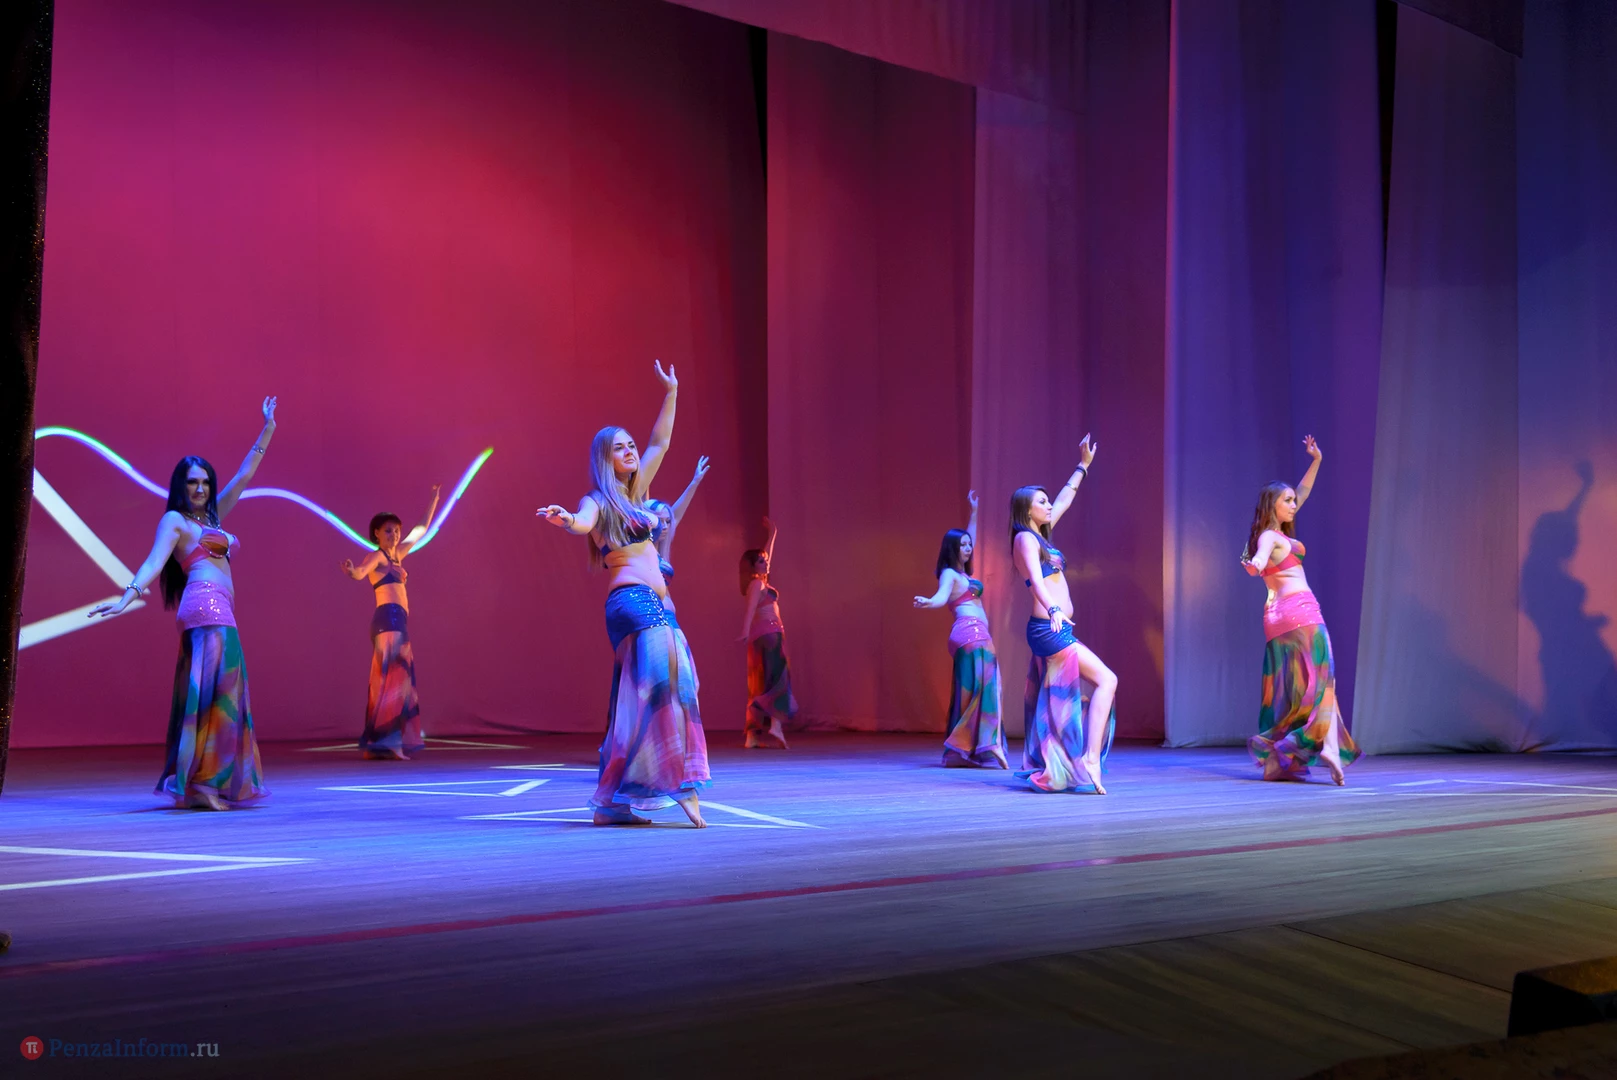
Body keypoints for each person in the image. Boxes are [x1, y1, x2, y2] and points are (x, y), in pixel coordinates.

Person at [538, 361, 708, 827]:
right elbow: (583, 523)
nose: (631, 451)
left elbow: (661, 443)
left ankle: (611, 802)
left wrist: (672, 392)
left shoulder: (638, 493)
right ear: (605, 458)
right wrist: (566, 520)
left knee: (638, 699)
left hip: (653, 605)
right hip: (634, 602)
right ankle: (680, 783)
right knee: (672, 684)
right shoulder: (597, 500)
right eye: (620, 447)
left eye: (631, 445)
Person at [90, 397, 279, 809]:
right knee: (220, 697)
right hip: (206, 610)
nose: (200, 489)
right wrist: (126, 597)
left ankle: (200, 782)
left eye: (205, 482)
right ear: (181, 486)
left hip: (219, 613)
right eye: (193, 482)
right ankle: (203, 784)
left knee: (218, 695)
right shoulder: (175, 521)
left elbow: (244, 475)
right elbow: (153, 562)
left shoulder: (213, 518)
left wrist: (268, 428)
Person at [1240, 436, 1357, 784]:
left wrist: (1316, 460)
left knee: (1295, 689)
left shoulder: (1272, 533)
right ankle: (1327, 747)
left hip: (1276, 620)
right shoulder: (1270, 537)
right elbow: (1260, 556)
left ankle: (1280, 762)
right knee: (1324, 679)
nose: (1294, 505)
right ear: (1272, 506)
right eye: (1287, 501)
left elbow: (1303, 492)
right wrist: (1255, 564)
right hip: (1301, 614)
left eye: (1293, 500)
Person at [1009, 435, 1116, 793]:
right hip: (1048, 628)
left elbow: (1065, 498)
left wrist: (1082, 465)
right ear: (1027, 511)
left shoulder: (1041, 537)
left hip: (1055, 629)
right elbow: (1036, 581)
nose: (1049, 504)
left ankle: (1078, 759)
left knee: (1086, 689)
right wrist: (1054, 607)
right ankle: (1089, 759)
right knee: (1107, 680)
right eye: (1042, 501)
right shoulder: (1025, 539)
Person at [340, 486, 441, 759]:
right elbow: (361, 572)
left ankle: (380, 745)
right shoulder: (377, 556)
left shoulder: (399, 554)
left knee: (392, 682)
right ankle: (390, 744)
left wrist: (433, 499)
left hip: (397, 623)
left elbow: (421, 529)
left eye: (396, 531)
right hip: (388, 621)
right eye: (388, 531)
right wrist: (352, 572)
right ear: (376, 533)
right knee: (394, 683)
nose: (394, 535)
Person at [914, 491, 1007, 768]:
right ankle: (987, 745)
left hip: (975, 635)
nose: (968, 548)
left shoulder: (963, 574)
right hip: (971, 634)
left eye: (969, 545)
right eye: (963, 545)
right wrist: (929, 602)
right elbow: (942, 597)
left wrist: (974, 512)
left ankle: (962, 750)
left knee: (975, 689)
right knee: (988, 687)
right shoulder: (950, 574)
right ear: (952, 549)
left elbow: (971, 537)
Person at [738, 517, 798, 749]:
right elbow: (750, 609)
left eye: (765, 561)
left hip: (762, 637)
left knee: (760, 683)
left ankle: (752, 736)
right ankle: (775, 724)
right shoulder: (758, 584)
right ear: (753, 567)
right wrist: (744, 631)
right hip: (771, 635)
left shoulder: (758, 583)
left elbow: (768, 556)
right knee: (779, 679)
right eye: (761, 562)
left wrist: (772, 534)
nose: (766, 563)